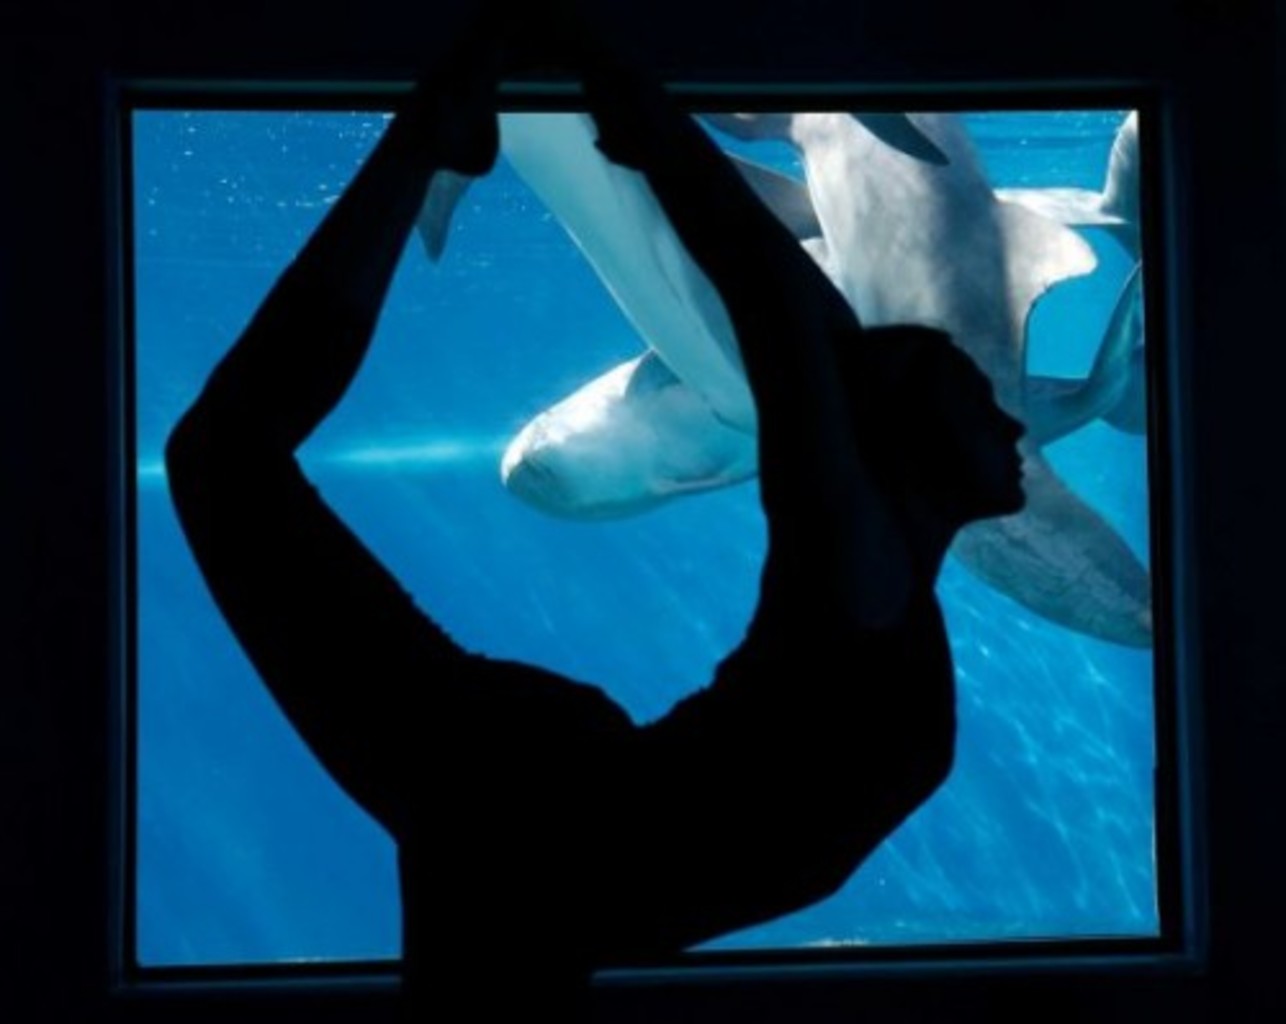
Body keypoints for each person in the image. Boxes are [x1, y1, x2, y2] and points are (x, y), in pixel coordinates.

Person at [165, 9, 1025, 1020]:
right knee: (219, 456)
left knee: (223, 457)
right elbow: (785, 323)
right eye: (971, 392)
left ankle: (431, 136)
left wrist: (648, 124)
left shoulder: (871, 565)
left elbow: (801, 337)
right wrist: (645, 124)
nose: (1005, 415)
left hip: (531, 822)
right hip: (533, 824)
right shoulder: (855, 564)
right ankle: (424, 136)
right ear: (892, 450)